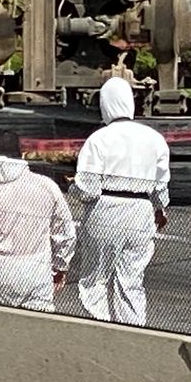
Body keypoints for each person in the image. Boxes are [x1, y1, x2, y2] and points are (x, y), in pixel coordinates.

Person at [72, 77, 170, 326]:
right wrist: (160, 209)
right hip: (141, 211)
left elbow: (88, 189)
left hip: (106, 208)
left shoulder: (98, 139)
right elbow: (161, 183)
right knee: (132, 279)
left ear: (105, 105)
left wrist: (71, 187)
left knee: (95, 277)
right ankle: (134, 329)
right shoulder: (154, 138)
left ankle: (99, 325)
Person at [0, 129, 76, 312]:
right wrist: (61, 266)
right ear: (21, 154)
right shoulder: (46, 186)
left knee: (0, 327)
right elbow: (66, 232)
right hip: (36, 271)